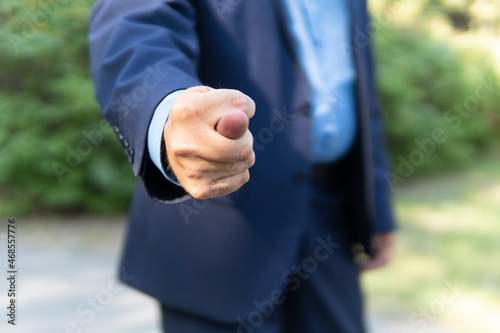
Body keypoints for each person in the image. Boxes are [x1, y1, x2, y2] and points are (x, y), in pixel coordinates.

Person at [88, 0, 396, 332]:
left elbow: (359, 88)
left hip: (332, 220)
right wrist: (170, 111)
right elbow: (137, 27)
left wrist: (377, 201)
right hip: (218, 234)